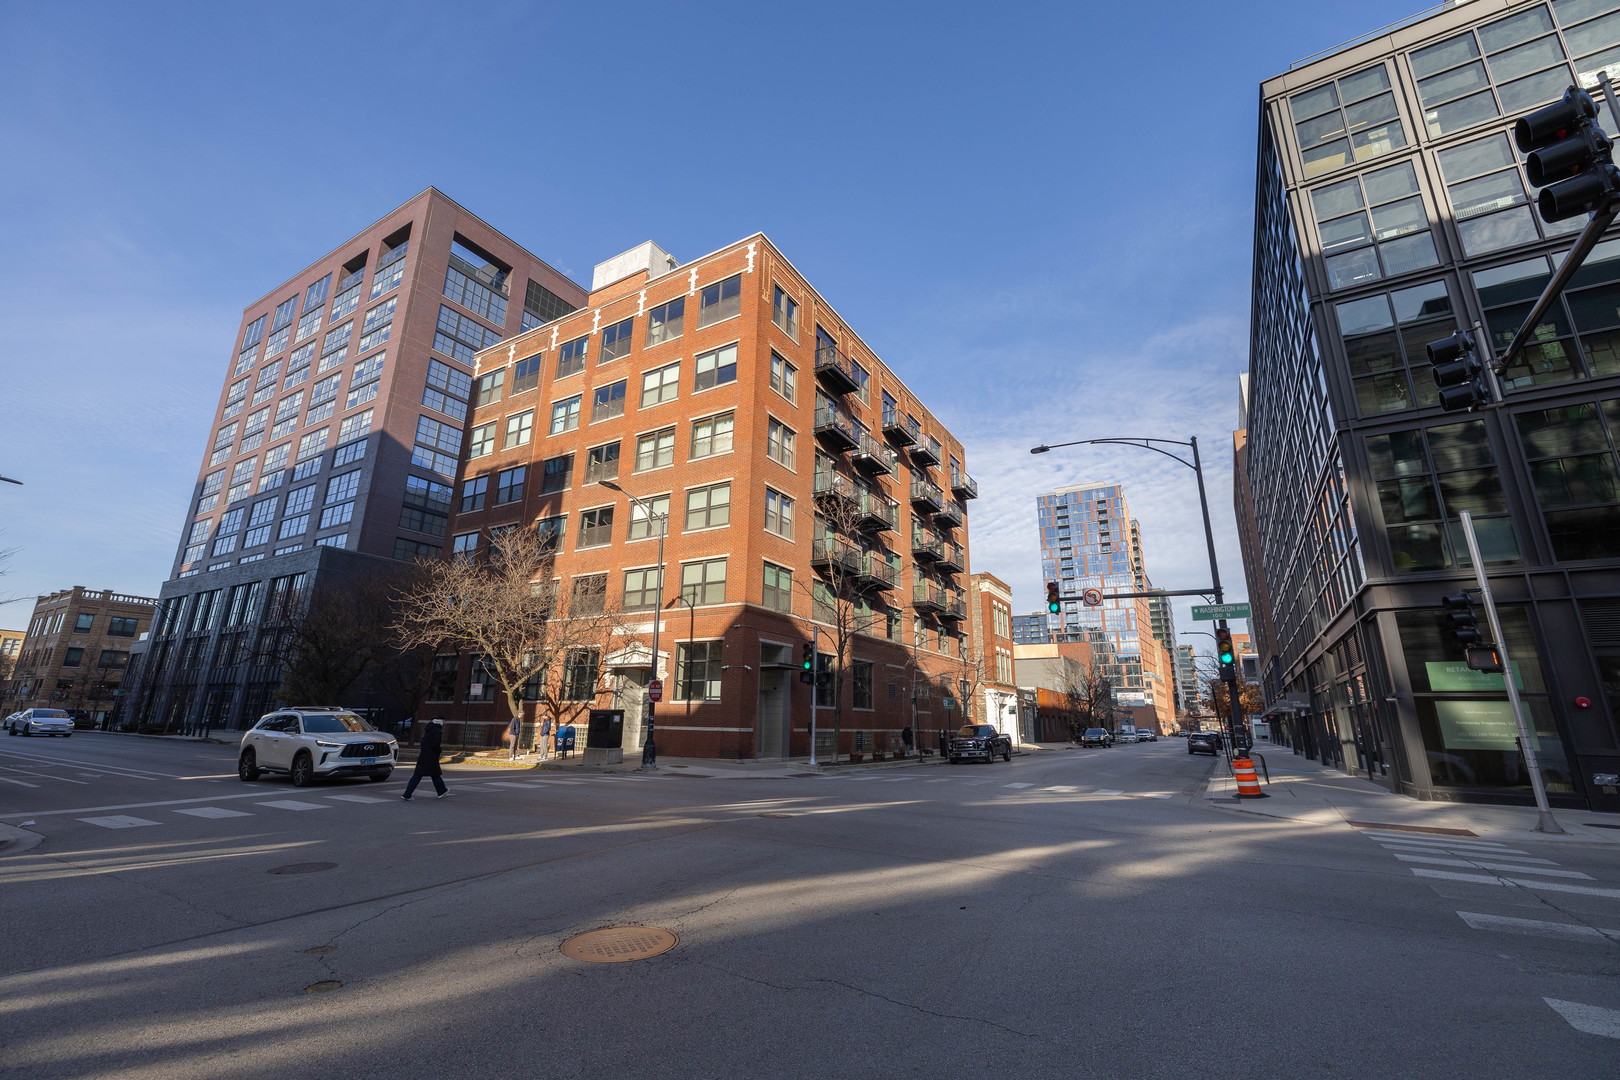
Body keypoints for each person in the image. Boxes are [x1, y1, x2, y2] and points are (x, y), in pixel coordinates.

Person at [403, 718, 449, 800]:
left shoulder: (428, 730)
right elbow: (435, 745)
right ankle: (441, 791)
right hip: (431, 757)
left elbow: (423, 742)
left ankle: (407, 794)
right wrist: (439, 750)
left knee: (418, 775)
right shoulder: (437, 731)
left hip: (423, 755)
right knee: (435, 774)